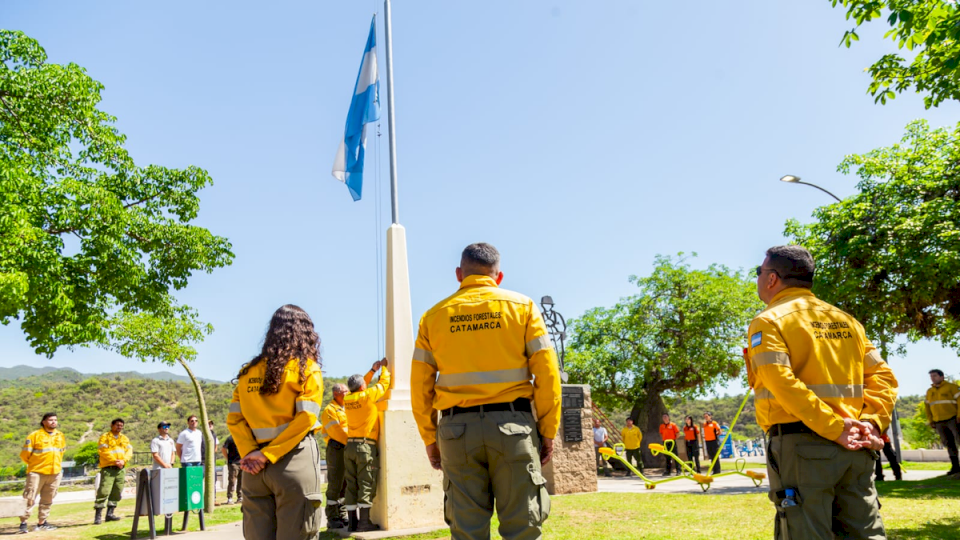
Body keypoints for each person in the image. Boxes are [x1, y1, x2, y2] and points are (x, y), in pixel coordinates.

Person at [411, 242, 562, 540]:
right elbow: (547, 375)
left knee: (467, 533)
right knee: (523, 530)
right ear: (499, 276)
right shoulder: (524, 308)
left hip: (457, 433)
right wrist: (547, 430)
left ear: (459, 274)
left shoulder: (433, 317)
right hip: (514, 429)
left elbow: (420, 387)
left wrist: (430, 437)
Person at [745, 245, 898, 539]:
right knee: (865, 532)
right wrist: (871, 423)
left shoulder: (769, 320)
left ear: (772, 278)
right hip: (857, 447)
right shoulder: (848, 322)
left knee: (805, 532)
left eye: (759, 272)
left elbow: (780, 380)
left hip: (802, 448)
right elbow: (883, 377)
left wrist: (834, 427)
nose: (758, 278)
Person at [227, 304, 325, 540]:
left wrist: (251, 452)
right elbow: (306, 418)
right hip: (292, 460)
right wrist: (269, 454)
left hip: (253, 468)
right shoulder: (307, 370)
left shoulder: (247, 373)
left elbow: (234, 418)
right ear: (306, 333)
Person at [343, 359, 390, 532]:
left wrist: (371, 370)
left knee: (351, 484)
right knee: (366, 483)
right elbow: (384, 383)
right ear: (363, 386)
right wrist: (383, 368)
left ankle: (352, 523)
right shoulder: (368, 396)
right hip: (365, 446)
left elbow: (361, 384)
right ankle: (364, 523)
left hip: (350, 447)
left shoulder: (348, 399)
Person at [19, 413, 66, 534]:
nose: (53, 422)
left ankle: (42, 523)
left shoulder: (60, 435)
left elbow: (62, 452)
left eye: (55, 420)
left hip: (54, 472)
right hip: (37, 472)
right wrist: (35, 465)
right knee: (29, 498)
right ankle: (23, 523)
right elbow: (25, 455)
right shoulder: (35, 435)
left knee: (48, 499)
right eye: (50, 420)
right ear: (44, 422)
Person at [319, 383, 352, 530]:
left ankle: (342, 514)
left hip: (347, 447)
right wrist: (351, 443)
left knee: (345, 483)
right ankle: (332, 517)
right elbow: (337, 432)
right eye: (345, 391)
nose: (348, 393)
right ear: (336, 394)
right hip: (337, 449)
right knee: (335, 484)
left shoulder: (348, 407)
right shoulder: (329, 410)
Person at [94, 418, 132, 524]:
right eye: (117, 425)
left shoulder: (124, 438)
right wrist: (115, 461)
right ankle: (98, 516)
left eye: (121, 426)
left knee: (117, 491)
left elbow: (129, 451)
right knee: (104, 491)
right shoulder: (105, 437)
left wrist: (123, 461)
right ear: (112, 425)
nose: (119, 427)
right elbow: (103, 451)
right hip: (109, 468)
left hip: (120, 469)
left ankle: (110, 514)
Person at [925, 368, 960, 475]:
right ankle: (955, 467)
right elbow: (927, 407)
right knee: (949, 444)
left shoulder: (952, 387)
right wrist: (931, 420)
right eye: (931, 376)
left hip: (953, 419)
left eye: (935, 376)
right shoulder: (929, 391)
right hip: (939, 421)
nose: (932, 378)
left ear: (942, 376)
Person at [221, 435, 242, 504]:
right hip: (233, 463)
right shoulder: (230, 438)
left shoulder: (244, 436)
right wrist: (228, 459)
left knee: (241, 481)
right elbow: (223, 449)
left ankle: (240, 497)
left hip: (242, 462)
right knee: (232, 481)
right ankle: (230, 498)